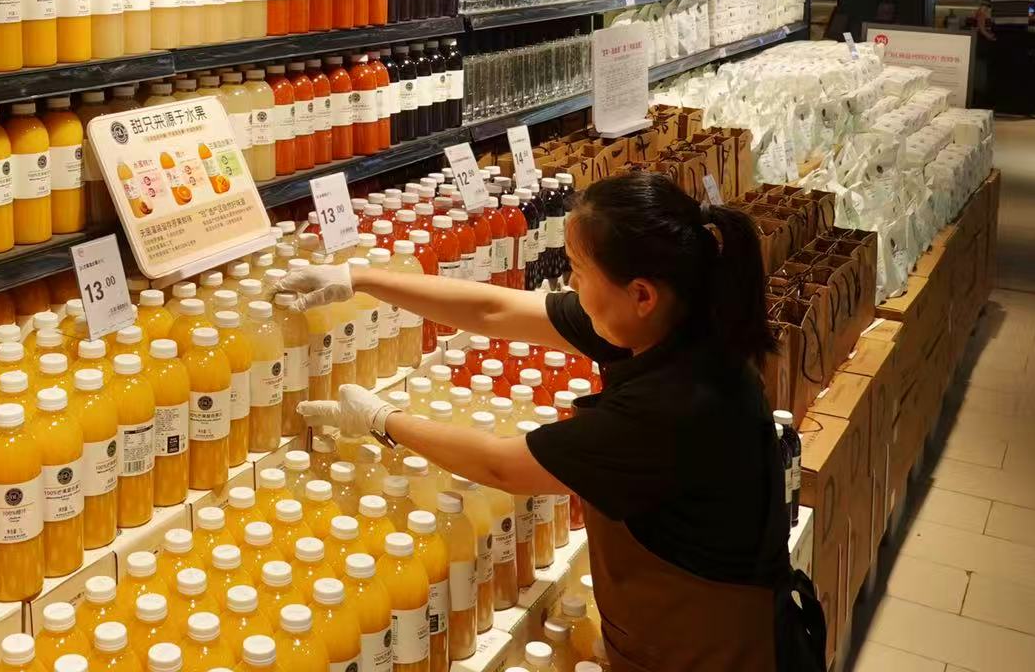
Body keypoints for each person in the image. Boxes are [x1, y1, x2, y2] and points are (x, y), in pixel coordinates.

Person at [280, 172, 800, 671]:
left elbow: (503, 466)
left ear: (642, 294)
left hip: (719, 651)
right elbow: (493, 311)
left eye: (579, 270)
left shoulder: (674, 405)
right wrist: (358, 280)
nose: (570, 283)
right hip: (673, 634)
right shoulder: (670, 324)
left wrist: (382, 419)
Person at [972, 0, 1035, 116]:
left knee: (998, 72)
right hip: (1020, 39)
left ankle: (998, 106)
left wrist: (985, 32)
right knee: (1018, 72)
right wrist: (1026, 19)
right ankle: (1016, 106)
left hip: (999, 38)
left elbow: (980, 14)